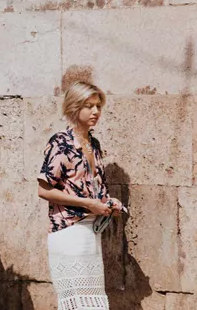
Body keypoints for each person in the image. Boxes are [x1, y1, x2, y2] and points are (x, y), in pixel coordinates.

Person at [39, 81, 124, 310]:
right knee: (78, 303)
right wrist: (87, 204)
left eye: (98, 106)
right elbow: (44, 189)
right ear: (75, 107)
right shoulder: (61, 142)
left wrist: (109, 204)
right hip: (68, 230)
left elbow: (96, 189)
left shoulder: (93, 144)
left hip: (91, 231)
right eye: (89, 106)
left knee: (92, 302)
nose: (96, 111)